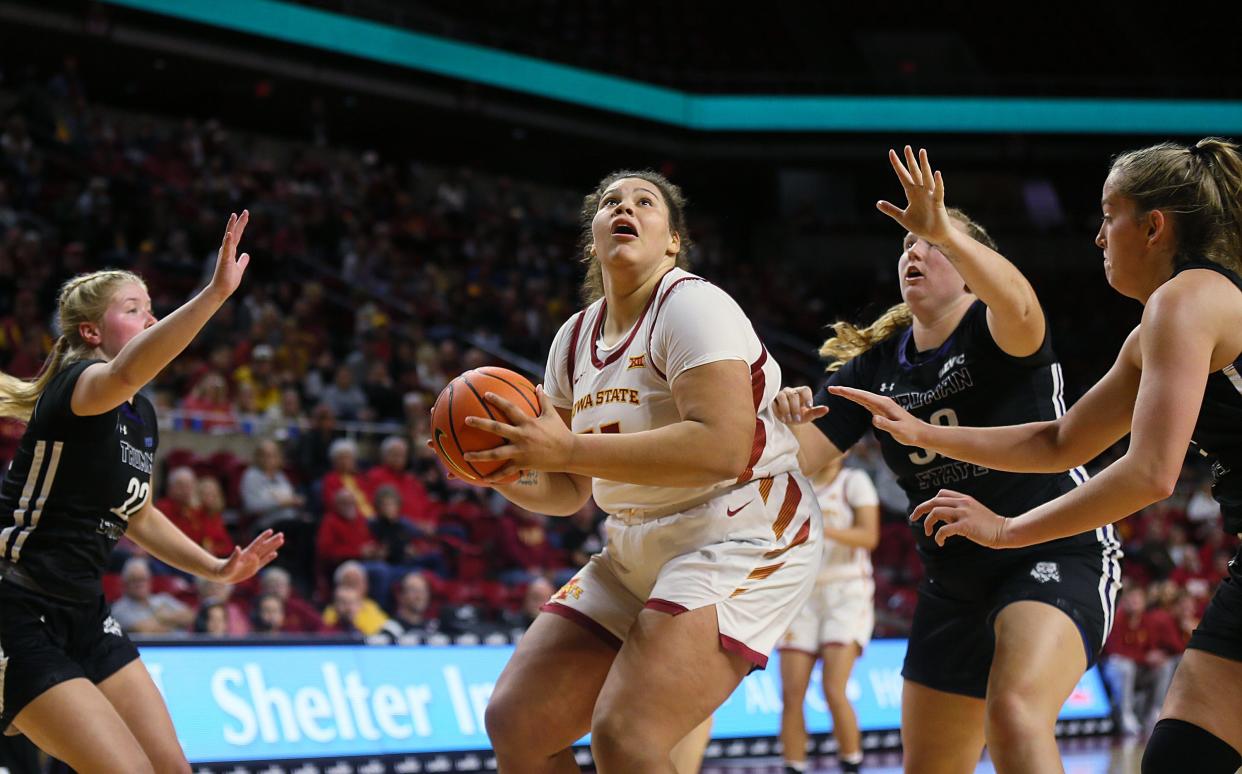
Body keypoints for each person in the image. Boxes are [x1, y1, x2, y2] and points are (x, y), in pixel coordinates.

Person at [828, 139, 1242, 773]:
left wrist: (1008, 530)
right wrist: (927, 433)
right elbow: (1058, 440)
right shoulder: (1159, 327)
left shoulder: (1184, 300)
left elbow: (1152, 474)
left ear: (1154, 226)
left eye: (1108, 216)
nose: (1099, 238)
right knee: (1181, 756)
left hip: (1069, 556)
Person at [775, 148, 1121, 774]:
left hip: (1052, 547)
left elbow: (1017, 299)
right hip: (954, 580)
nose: (914, 251)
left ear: (967, 267)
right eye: (907, 244)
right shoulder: (874, 367)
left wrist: (947, 232)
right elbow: (800, 457)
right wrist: (781, 417)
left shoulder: (997, 330)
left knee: (1015, 714)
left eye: (931, 244)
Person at [463, 170, 822, 772]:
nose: (624, 208)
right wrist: (504, 467)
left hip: (744, 529)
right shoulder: (572, 340)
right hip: (635, 540)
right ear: (593, 238)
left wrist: (565, 451)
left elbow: (722, 448)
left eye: (644, 201)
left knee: (627, 737)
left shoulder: (692, 305)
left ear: (672, 240)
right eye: (610, 203)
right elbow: (565, 490)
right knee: (517, 723)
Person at [0, 211, 283, 773]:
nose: (151, 317)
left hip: (86, 611)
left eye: (151, 308)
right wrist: (215, 295)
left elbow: (140, 515)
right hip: (16, 605)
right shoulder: (79, 386)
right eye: (135, 310)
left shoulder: (141, 416)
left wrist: (216, 569)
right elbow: (127, 372)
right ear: (91, 333)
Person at [778, 458, 879, 774]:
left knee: (834, 688)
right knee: (791, 694)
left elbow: (868, 537)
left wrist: (822, 528)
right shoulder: (794, 485)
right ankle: (793, 766)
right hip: (802, 593)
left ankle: (851, 763)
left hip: (846, 591)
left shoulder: (853, 481)